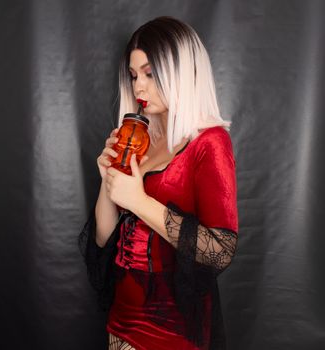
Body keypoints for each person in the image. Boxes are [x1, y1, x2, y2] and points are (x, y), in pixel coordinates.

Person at [79, 16, 238, 350]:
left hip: (171, 332)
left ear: (180, 72)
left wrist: (138, 201)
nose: (138, 86)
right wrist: (109, 177)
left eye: (150, 74)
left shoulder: (209, 142)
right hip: (121, 322)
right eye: (134, 75)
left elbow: (220, 251)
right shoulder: (143, 141)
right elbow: (104, 238)